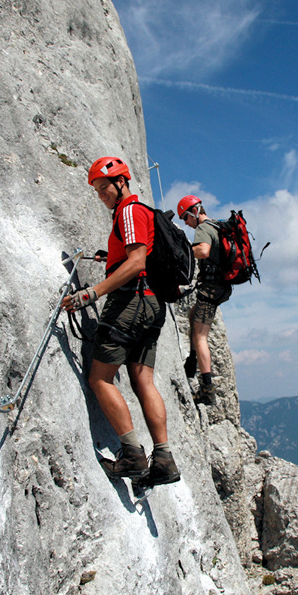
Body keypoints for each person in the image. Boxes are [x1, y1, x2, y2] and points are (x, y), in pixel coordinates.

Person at [62, 156, 180, 486]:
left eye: (104, 189)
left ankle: (131, 456)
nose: (102, 196)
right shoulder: (139, 215)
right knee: (144, 381)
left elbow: (137, 260)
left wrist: (91, 294)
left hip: (130, 302)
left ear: (121, 183)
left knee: (100, 378)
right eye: (98, 191)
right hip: (152, 305)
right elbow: (134, 254)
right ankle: (163, 459)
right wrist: (108, 257)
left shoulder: (128, 210)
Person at [176, 195, 232, 406]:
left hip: (211, 289)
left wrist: (183, 251)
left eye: (185, 218)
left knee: (200, 336)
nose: (186, 223)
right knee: (193, 315)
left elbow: (203, 250)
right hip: (220, 287)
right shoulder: (217, 226)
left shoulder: (203, 228)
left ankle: (207, 389)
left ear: (194, 212)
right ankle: (191, 361)